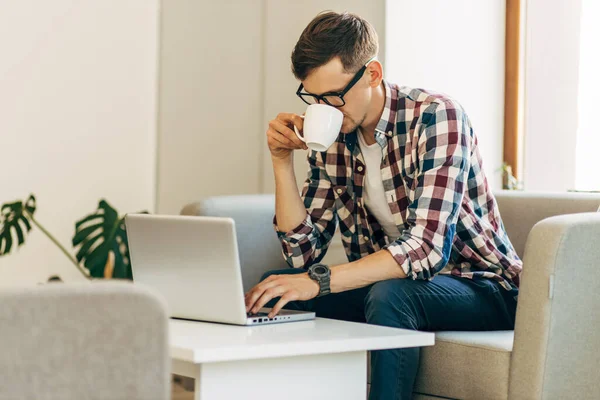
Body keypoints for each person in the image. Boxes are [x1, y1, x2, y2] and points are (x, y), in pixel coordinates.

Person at [244, 11, 522, 400]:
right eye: (314, 98)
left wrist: (319, 281)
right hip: (390, 284)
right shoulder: (334, 136)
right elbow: (301, 253)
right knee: (273, 292)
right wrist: (280, 160)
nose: (324, 109)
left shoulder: (437, 117)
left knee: (391, 295)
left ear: (372, 74)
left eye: (334, 97)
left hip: (483, 286)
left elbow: (425, 250)